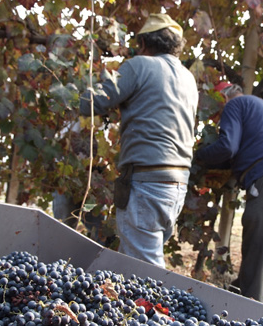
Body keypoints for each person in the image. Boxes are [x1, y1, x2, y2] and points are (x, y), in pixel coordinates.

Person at [79, 14, 198, 268]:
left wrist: (69, 88)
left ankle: (165, 308)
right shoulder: (189, 79)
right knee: (132, 262)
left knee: (146, 272)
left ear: (145, 43)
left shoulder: (139, 66)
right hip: (176, 185)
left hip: (146, 183)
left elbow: (94, 102)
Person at [195, 83, 263, 302]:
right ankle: (236, 294)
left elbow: (227, 147)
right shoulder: (261, 106)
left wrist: (197, 156)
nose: (217, 120)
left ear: (222, 98)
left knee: (256, 251)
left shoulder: (235, 105)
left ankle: (250, 315)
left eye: (216, 114)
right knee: (258, 250)